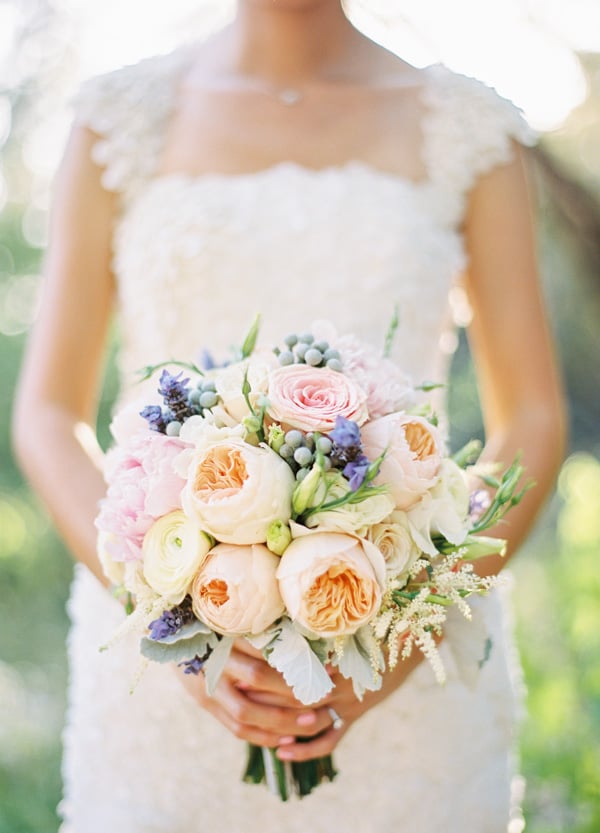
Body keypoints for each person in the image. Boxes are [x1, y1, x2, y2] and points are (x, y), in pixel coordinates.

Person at [13, 1, 566, 831]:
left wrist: (405, 635)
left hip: (408, 661)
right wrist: (168, 618)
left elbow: (532, 417)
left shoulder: (468, 129)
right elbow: (48, 413)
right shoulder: (116, 123)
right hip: (166, 681)